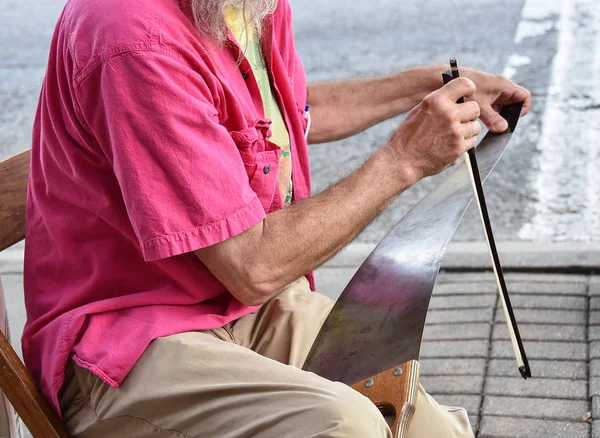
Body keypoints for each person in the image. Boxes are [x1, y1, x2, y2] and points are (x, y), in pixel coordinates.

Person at [23, 0, 531, 436]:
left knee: (422, 422)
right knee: (344, 424)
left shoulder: (248, 7)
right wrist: (405, 159)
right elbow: (254, 267)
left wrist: (431, 87)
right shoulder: (133, 39)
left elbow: (292, 114)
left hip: (238, 306)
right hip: (126, 342)